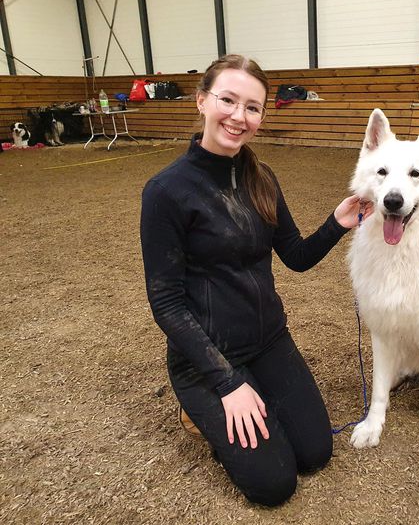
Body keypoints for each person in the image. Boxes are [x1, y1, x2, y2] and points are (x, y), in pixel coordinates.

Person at [140, 54, 373, 507]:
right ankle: (202, 409)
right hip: (207, 358)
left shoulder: (262, 178)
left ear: (262, 117)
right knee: (274, 485)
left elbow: (297, 258)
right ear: (202, 100)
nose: (238, 116)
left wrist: (336, 223)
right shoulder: (166, 191)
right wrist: (227, 385)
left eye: (252, 107)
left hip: (269, 341)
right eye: (228, 100)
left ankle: (253, 396)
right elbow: (166, 302)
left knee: (315, 453)